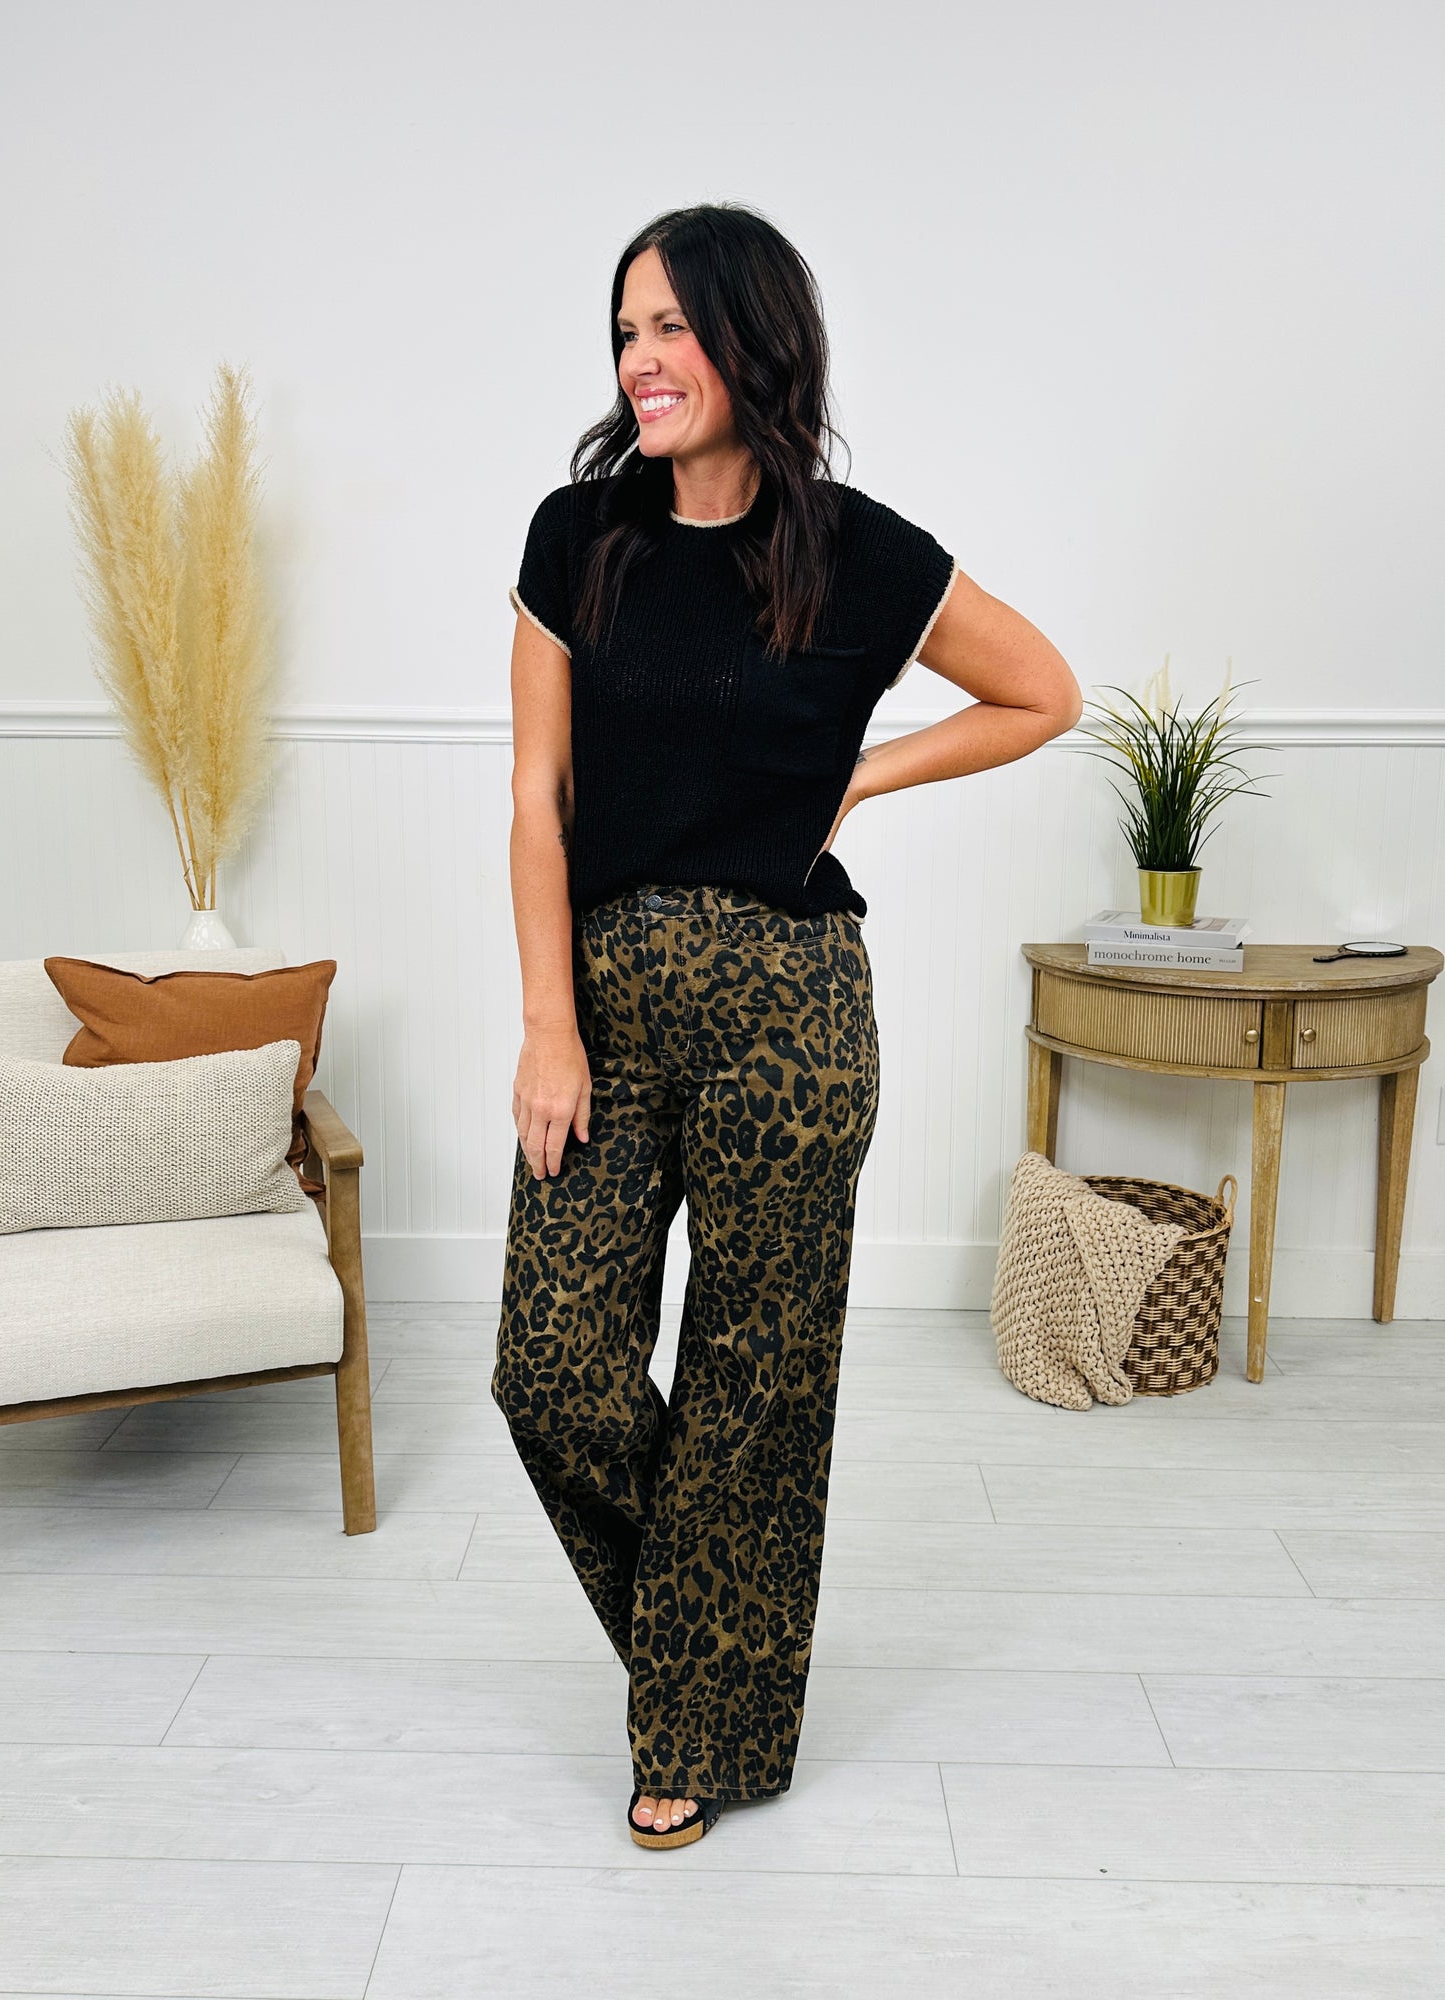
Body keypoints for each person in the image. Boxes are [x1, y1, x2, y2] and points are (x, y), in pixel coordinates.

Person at [492, 202, 1082, 1850]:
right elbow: (537, 801)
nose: (642, 359)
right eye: (627, 331)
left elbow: (1044, 691)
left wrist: (862, 778)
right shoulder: (577, 537)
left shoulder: (856, 551)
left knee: (754, 1384)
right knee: (551, 1370)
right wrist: (548, 1024)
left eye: (673, 327)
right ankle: (720, 1658)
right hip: (606, 1003)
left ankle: (695, 1726)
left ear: (754, 342)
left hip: (793, 1015)